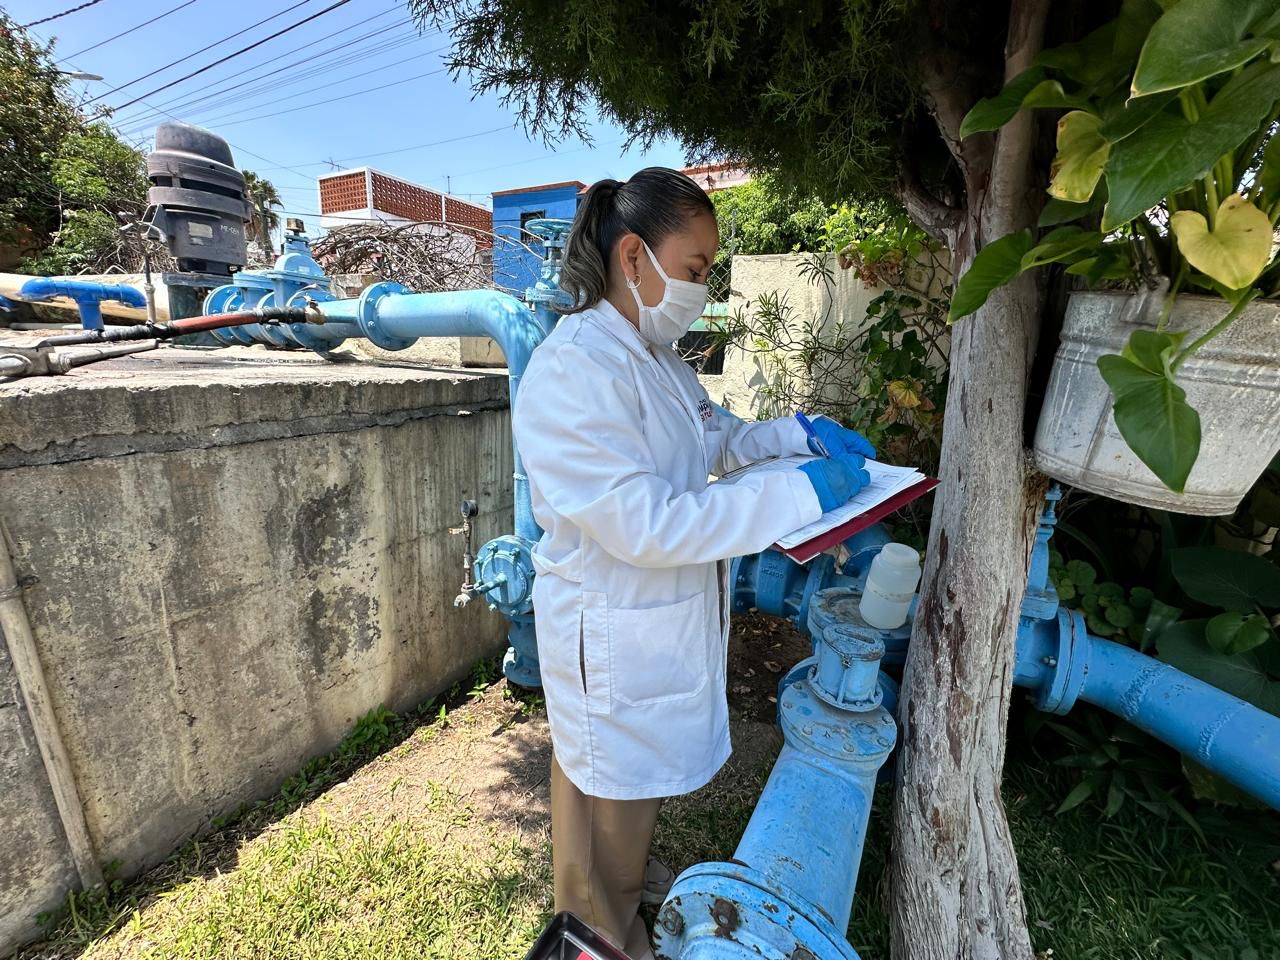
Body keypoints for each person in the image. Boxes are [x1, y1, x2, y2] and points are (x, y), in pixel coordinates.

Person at [513, 168, 873, 959]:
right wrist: (801, 498)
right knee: (611, 799)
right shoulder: (574, 370)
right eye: (697, 268)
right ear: (633, 256)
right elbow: (647, 526)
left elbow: (719, 439)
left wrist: (799, 436)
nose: (704, 291)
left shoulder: (659, 361)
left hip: (646, 622)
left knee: (622, 796)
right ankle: (612, 937)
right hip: (609, 624)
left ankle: (616, 900)